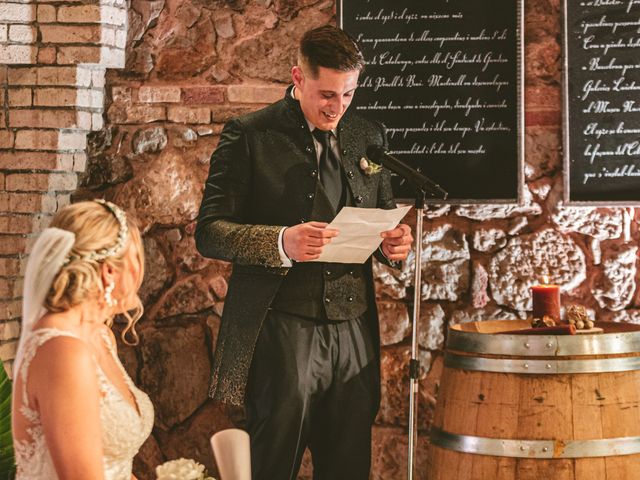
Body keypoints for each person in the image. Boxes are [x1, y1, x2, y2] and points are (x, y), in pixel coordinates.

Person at [196, 25, 412, 480]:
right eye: (327, 95)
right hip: (281, 325)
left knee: (349, 464)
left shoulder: (368, 135)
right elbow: (210, 232)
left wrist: (394, 246)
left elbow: (383, 215)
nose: (338, 108)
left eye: (348, 94)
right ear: (298, 77)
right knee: (273, 462)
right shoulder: (249, 134)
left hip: (354, 328)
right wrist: (281, 241)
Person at [11, 200, 154, 480]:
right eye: (136, 258)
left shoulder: (100, 335)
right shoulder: (62, 352)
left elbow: (115, 468)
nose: (140, 272)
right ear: (109, 271)